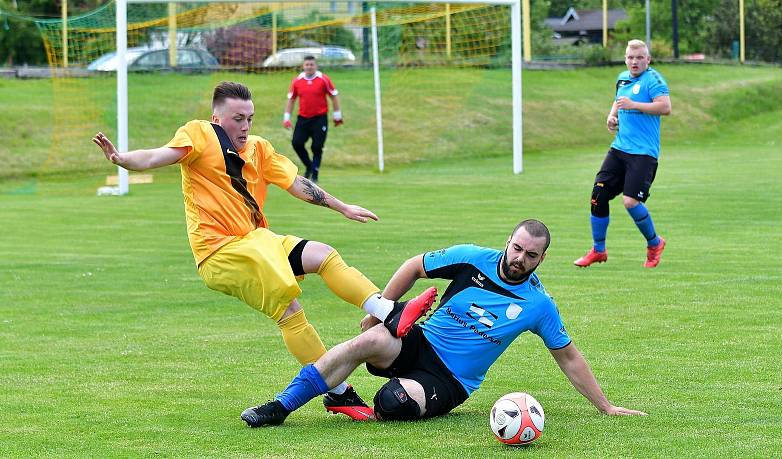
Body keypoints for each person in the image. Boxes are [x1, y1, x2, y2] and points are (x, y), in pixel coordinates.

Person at [92, 81, 436, 421]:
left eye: (250, 118)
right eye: (237, 118)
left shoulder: (258, 149)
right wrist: (123, 159)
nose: (245, 126)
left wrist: (342, 206)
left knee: (323, 254)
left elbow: (298, 184)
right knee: (289, 310)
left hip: (257, 242)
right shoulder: (199, 135)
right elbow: (158, 155)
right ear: (216, 119)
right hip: (221, 253)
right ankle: (340, 391)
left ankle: (385, 313)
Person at [240, 219, 647, 427]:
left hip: (450, 380)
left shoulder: (538, 305)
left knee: (393, 403)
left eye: (531, 255)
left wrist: (606, 407)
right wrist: (383, 305)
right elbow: (414, 265)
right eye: (517, 247)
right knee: (364, 342)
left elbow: (569, 358)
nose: (520, 258)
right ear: (508, 241)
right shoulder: (473, 257)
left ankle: (362, 403)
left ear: (542, 260)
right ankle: (280, 406)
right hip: (418, 342)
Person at [574, 39, 672, 269]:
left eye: (639, 58)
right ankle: (598, 250)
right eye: (630, 57)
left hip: (643, 154)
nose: (634, 62)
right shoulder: (622, 78)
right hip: (619, 148)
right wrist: (612, 116)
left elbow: (665, 107)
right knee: (598, 194)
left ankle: (654, 243)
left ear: (648, 59)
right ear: (625, 58)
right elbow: (618, 102)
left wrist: (634, 105)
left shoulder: (654, 80)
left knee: (630, 202)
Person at [283, 55, 342, 183]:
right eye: (307, 64)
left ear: (316, 66)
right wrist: (286, 117)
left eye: (312, 64)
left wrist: (337, 115)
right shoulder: (297, 81)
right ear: (303, 66)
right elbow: (291, 99)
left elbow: (334, 96)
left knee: (317, 146)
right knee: (296, 143)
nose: (309, 67)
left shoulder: (323, 79)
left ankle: (315, 173)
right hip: (303, 118)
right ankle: (309, 166)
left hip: (320, 118)